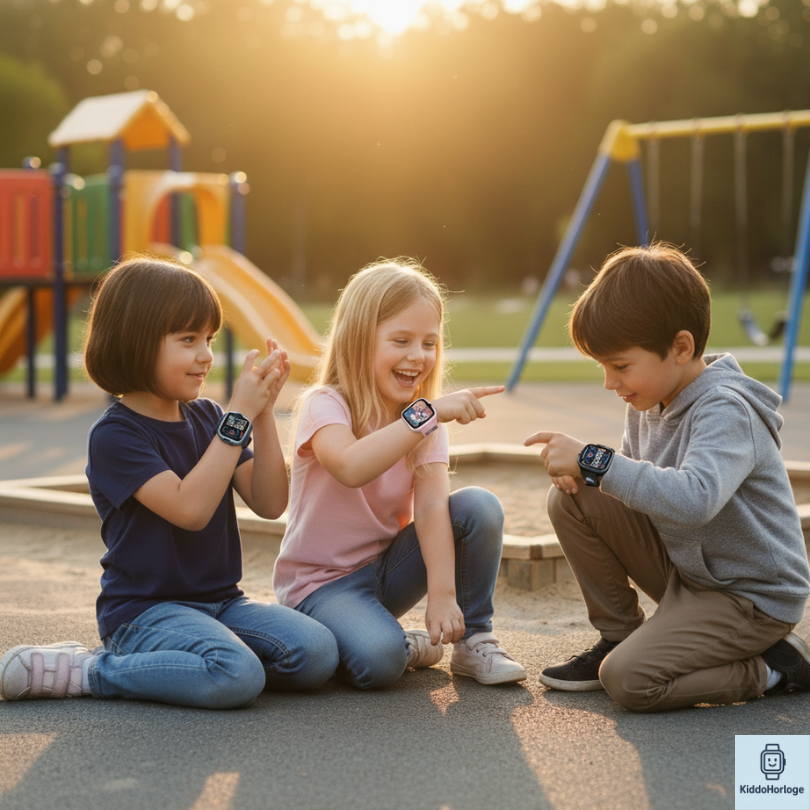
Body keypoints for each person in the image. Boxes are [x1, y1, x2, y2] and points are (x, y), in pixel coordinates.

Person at [0, 257, 338, 708]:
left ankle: (195, 666)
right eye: (187, 340)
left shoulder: (211, 419)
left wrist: (261, 414)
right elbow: (190, 509)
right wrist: (237, 417)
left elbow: (271, 502)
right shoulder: (116, 436)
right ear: (136, 342)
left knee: (318, 653)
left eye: (209, 339)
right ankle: (92, 670)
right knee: (235, 675)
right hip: (144, 612)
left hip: (223, 604)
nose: (206, 355)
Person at [525, 243, 810, 712]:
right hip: (691, 573)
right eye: (603, 367)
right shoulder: (648, 400)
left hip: (749, 598)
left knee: (629, 681)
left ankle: (774, 669)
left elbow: (695, 499)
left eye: (619, 366)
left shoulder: (726, 409)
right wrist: (586, 478)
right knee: (572, 500)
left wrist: (595, 461)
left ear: (681, 347)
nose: (609, 382)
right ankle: (619, 636)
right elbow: (638, 489)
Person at [273, 257, 526, 689]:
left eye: (429, 343)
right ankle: (399, 643)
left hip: (389, 570)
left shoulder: (424, 421)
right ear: (357, 341)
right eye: (401, 340)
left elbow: (430, 511)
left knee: (477, 507)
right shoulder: (326, 405)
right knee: (380, 660)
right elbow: (351, 466)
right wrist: (425, 418)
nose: (418, 356)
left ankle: (475, 639)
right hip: (321, 589)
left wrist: (443, 595)